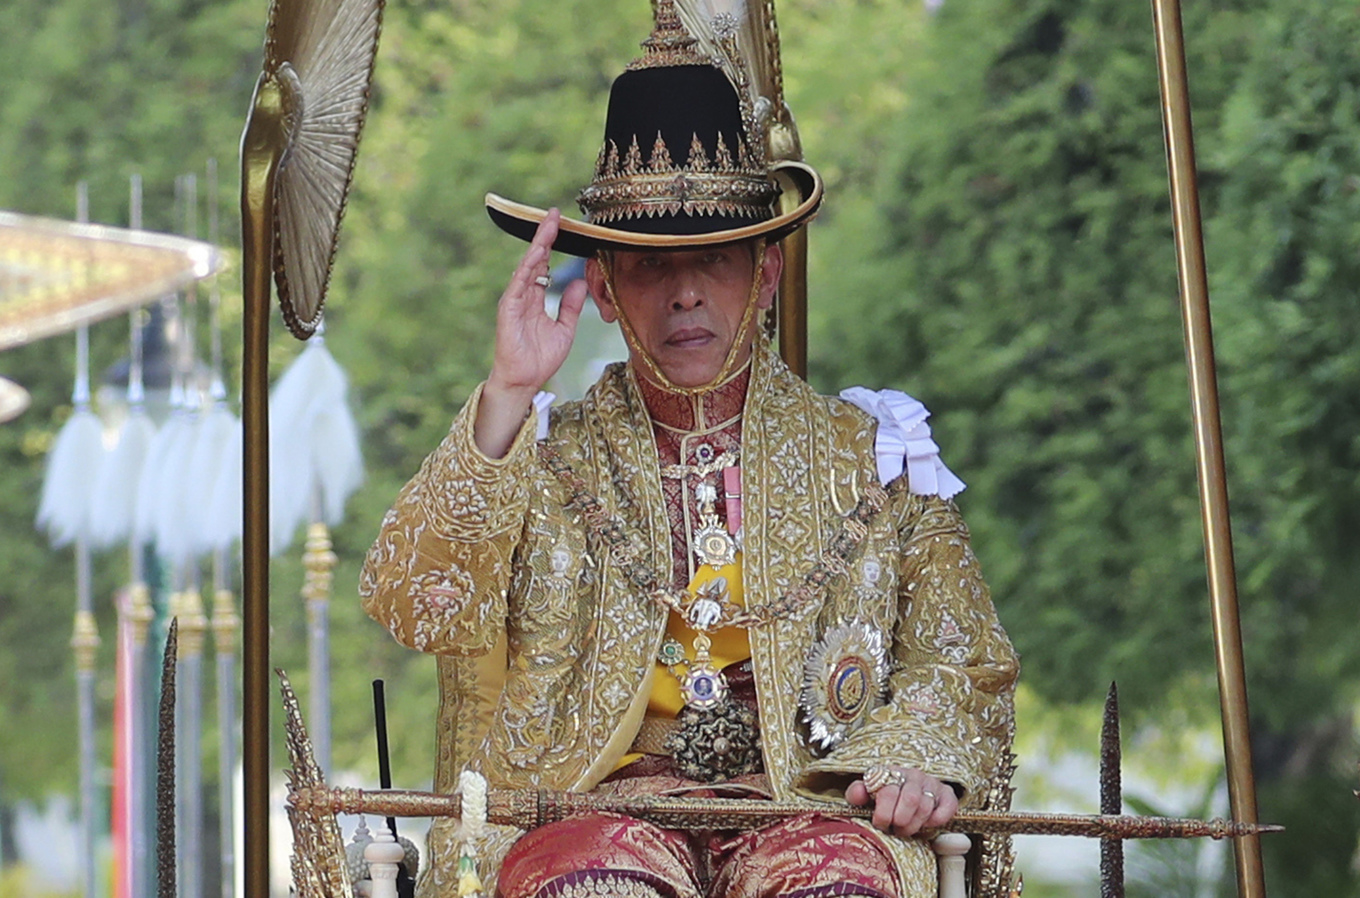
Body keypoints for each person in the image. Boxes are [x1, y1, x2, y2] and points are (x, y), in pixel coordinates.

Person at [360, 6, 1019, 897]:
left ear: (766, 274)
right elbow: (414, 606)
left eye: (713, 259)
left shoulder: (876, 452)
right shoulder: (540, 455)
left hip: (812, 806)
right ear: (603, 291)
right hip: (592, 805)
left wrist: (915, 755)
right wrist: (507, 391)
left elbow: (963, 654)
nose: (684, 295)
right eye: (648, 265)